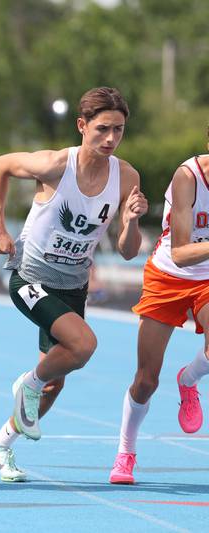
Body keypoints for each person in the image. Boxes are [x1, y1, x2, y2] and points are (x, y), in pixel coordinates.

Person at [0, 87, 148, 482]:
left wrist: (131, 221)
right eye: (103, 129)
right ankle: (28, 381)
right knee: (83, 345)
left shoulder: (126, 177)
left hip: (72, 286)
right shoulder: (57, 165)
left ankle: (2, 444)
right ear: (82, 126)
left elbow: (129, 252)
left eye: (119, 130)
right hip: (31, 276)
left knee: (55, 383)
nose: (111, 139)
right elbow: (0, 165)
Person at [109, 135, 209, 484]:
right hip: (169, 275)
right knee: (146, 380)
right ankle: (125, 452)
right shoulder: (189, 176)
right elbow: (181, 253)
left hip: (208, 279)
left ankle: (189, 379)